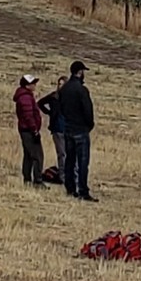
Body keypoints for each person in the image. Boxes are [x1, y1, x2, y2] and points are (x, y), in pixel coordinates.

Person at [60, 60, 97, 202]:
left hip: (68, 128)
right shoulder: (82, 90)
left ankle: (70, 188)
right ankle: (83, 190)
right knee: (82, 162)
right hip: (81, 129)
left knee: (70, 159)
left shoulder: (64, 89)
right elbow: (88, 110)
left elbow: (61, 108)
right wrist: (89, 125)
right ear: (80, 72)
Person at [14, 74, 45, 187]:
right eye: (33, 83)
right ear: (27, 85)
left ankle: (27, 179)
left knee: (28, 155)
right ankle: (37, 180)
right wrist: (35, 130)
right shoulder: (25, 98)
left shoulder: (25, 96)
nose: (35, 85)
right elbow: (29, 116)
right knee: (37, 155)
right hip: (29, 130)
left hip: (26, 130)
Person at [38, 76, 67, 183]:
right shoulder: (53, 96)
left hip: (68, 128)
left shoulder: (70, 98)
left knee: (69, 154)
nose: (60, 86)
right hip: (57, 128)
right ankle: (62, 176)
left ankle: (69, 175)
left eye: (63, 84)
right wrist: (49, 113)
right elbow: (40, 103)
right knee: (62, 153)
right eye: (59, 84)